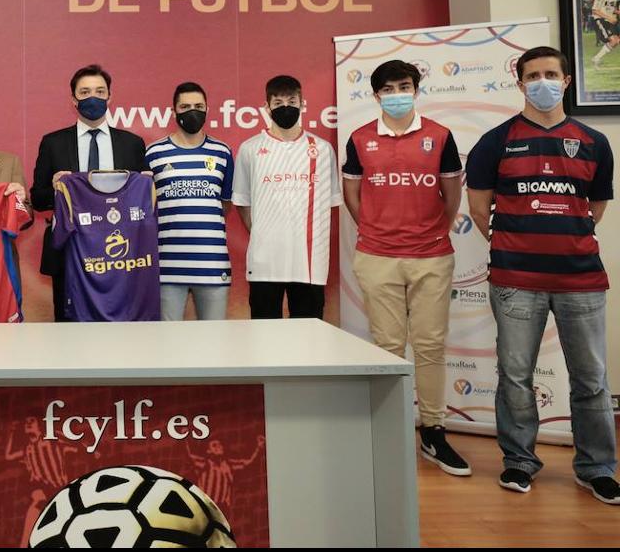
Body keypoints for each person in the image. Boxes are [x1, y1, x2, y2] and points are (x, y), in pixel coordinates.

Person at [466, 46, 619, 503]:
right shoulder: (496, 141)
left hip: (582, 280)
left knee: (591, 379)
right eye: (533, 75)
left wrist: (564, 234)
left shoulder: (594, 141)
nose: (543, 82)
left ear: (567, 80)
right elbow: (479, 207)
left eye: (551, 74)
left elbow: (596, 206)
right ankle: (519, 462)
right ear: (520, 84)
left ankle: (597, 467)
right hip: (515, 280)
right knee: (515, 375)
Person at [341, 60, 469, 476]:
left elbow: (451, 194)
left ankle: (433, 430)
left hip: (431, 255)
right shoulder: (360, 140)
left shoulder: (440, 136)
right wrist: (380, 233)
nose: (398, 93)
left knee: (430, 345)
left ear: (416, 90)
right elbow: (353, 194)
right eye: (390, 87)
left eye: (405, 85)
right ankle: (389, 429)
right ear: (376, 95)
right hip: (377, 256)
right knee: (388, 347)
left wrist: (429, 232)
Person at [30, 64, 148, 321]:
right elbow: (37, 199)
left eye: (99, 91)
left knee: (123, 329)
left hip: (121, 255)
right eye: (84, 92)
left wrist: (148, 187)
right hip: (69, 253)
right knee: (68, 331)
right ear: (73, 99)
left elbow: (145, 203)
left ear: (110, 96)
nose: (92, 97)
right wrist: (56, 189)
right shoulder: (53, 143)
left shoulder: (132, 144)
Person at [231, 75, 340, 319]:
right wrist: (264, 232)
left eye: (292, 101)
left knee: (309, 342)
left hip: (309, 265)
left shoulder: (322, 150)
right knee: (264, 339)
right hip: (264, 264)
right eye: (278, 102)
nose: (285, 107)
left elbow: (330, 205)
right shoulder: (250, 149)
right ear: (267, 107)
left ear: (302, 104)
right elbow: (242, 203)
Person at [146, 81, 234, 320]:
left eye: (198, 106)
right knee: (169, 344)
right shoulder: (153, 153)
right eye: (185, 106)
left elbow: (224, 205)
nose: (192, 111)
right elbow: (148, 207)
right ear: (174, 111)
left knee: (214, 342)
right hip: (168, 267)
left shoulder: (222, 152)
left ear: (207, 109)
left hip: (213, 266)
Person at [590, 0, 619, 69]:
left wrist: (617, 12)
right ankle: (596, 58)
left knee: (617, 41)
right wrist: (609, 17)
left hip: (608, 21)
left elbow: (611, 9)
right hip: (599, 20)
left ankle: (595, 58)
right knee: (613, 40)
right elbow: (594, 10)